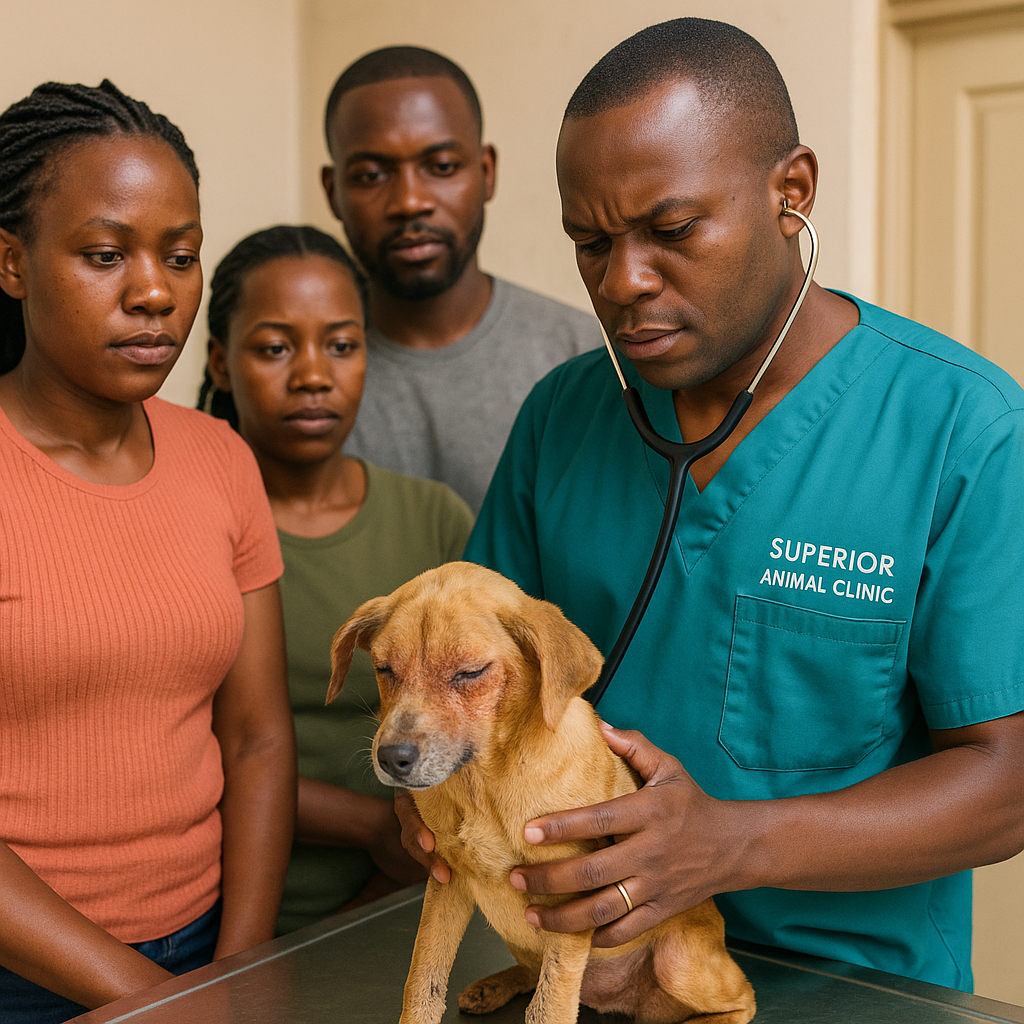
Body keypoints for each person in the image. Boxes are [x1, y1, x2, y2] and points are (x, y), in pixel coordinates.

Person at [399, 19, 1024, 992]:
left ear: (792, 192)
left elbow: (1005, 782)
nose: (624, 281)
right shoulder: (563, 418)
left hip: (849, 987)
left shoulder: (962, 429)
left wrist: (729, 843)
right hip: (587, 976)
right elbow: (466, 674)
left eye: (672, 230)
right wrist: (439, 769)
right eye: (589, 243)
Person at [0, 81, 296, 1023]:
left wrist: (240, 970)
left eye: (181, 255)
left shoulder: (221, 460)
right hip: (24, 977)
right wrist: (153, 1002)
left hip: (212, 949)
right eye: (103, 255)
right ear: (10, 262)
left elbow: (256, 738)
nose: (156, 292)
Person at [199, 224, 474, 934]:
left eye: (342, 345)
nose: (313, 373)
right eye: (274, 347)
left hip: (417, 899)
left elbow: (482, 720)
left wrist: (394, 863)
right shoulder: (188, 520)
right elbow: (182, 749)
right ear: (220, 364)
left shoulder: (433, 520)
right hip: (216, 918)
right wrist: (371, 827)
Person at [321, 45, 603, 513]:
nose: (409, 201)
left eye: (442, 167)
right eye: (371, 174)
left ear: (486, 172)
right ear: (333, 192)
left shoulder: (581, 353)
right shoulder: (302, 375)